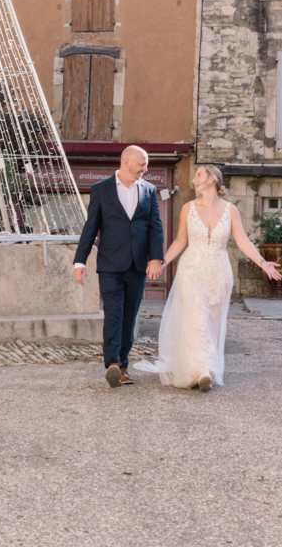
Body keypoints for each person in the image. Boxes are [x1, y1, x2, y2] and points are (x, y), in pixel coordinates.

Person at [138, 165, 280, 392]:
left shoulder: (231, 210)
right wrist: (162, 262)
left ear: (213, 179)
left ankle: (206, 368)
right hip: (191, 270)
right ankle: (202, 370)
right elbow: (180, 242)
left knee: (212, 322)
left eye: (199, 175)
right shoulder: (188, 208)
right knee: (196, 318)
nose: (194, 180)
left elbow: (243, 241)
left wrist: (263, 263)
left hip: (219, 273)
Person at [73, 146, 165, 388]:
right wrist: (80, 261)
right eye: (142, 164)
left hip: (138, 266)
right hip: (110, 265)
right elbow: (90, 228)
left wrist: (157, 258)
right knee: (113, 313)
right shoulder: (101, 189)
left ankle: (123, 365)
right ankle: (113, 363)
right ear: (126, 162)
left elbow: (155, 228)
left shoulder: (149, 190)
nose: (146, 169)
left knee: (129, 317)